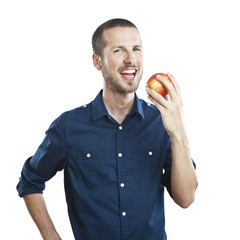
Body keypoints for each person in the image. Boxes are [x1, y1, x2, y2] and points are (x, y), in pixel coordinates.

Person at [17, 18, 197, 240]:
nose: (131, 59)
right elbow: (30, 181)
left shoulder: (161, 122)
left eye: (136, 49)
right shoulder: (69, 126)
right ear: (97, 61)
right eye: (118, 50)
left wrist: (178, 133)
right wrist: (51, 235)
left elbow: (186, 198)